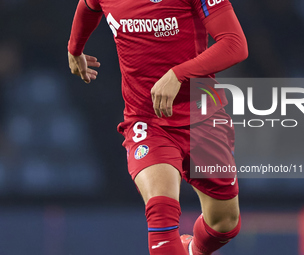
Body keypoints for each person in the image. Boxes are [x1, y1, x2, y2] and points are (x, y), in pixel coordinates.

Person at [67, 0, 248, 254]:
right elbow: (88, 5)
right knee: (161, 210)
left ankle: (192, 250)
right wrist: (75, 48)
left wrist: (179, 74)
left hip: (202, 117)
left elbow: (235, 44)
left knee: (224, 224)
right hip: (147, 121)